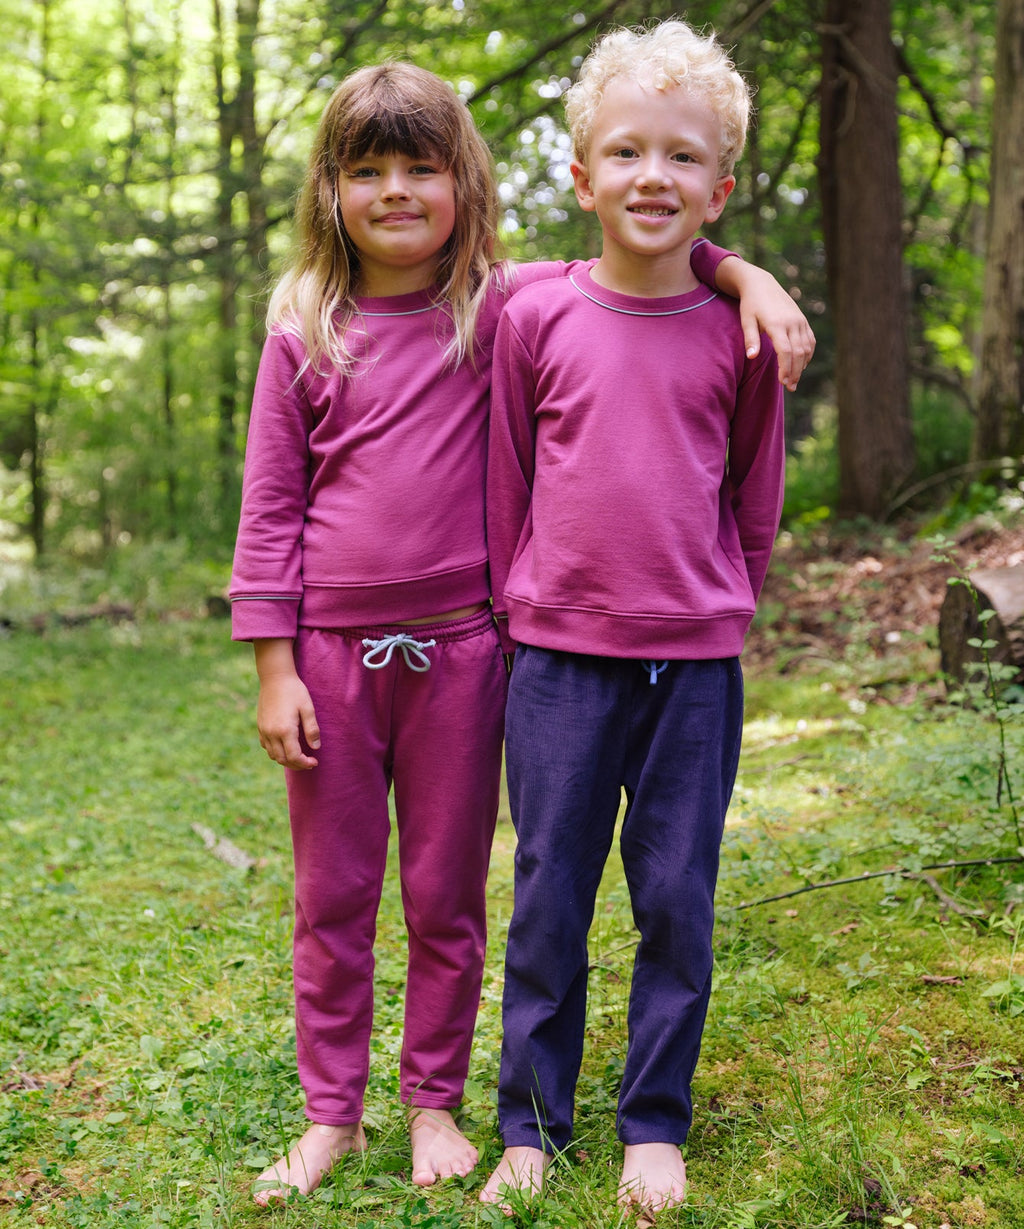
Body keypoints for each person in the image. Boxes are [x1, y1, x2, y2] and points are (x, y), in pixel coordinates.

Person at [229, 58, 811, 1207]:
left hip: (472, 654)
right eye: (366, 170)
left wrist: (746, 274)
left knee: (455, 892)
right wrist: (273, 665)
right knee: (336, 892)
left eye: (422, 167)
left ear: (466, 182)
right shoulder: (304, 324)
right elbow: (269, 506)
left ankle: (435, 1100)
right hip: (349, 659)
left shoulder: (498, 300)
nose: (395, 191)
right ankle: (331, 1112)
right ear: (329, 189)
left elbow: (649, 241)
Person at [481, 20, 788, 1216]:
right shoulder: (534, 318)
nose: (649, 176)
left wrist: (725, 601)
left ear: (720, 185)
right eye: (623, 153)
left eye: (679, 157)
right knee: (550, 885)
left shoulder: (741, 328)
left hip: (693, 667)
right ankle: (530, 1121)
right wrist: (522, 608)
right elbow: (509, 478)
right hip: (556, 658)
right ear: (581, 177)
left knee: (675, 893)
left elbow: (750, 493)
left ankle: (653, 1118)